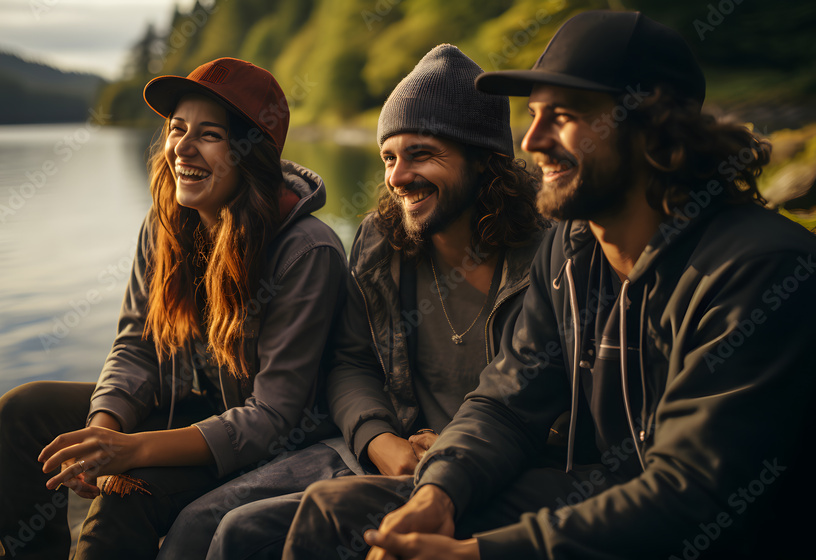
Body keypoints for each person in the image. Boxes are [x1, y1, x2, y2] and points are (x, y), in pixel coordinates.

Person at [282, 10, 816, 560]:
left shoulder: (759, 269)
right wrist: (436, 495)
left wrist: (477, 554)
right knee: (337, 517)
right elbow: (506, 405)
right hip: (603, 491)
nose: (532, 140)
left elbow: (691, 494)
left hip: (715, 530)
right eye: (533, 115)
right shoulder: (569, 252)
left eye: (561, 116)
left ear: (650, 126)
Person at [156, 44, 548, 560]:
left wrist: (451, 455)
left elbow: (544, 397)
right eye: (389, 157)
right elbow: (351, 362)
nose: (398, 177)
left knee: (243, 533)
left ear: (484, 160)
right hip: (389, 449)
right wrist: (379, 439)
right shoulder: (382, 241)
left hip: (496, 466)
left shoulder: (548, 252)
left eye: (422, 154)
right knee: (199, 523)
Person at [0, 57, 347, 559]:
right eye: (177, 128)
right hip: (181, 405)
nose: (182, 147)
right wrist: (104, 427)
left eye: (209, 134)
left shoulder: (307, 252)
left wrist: (130, 452)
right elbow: (137, 345)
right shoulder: (165, 227)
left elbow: (272, 419)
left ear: (251, 154)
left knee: (124, 495)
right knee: (21, 412)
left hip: (263, 448)